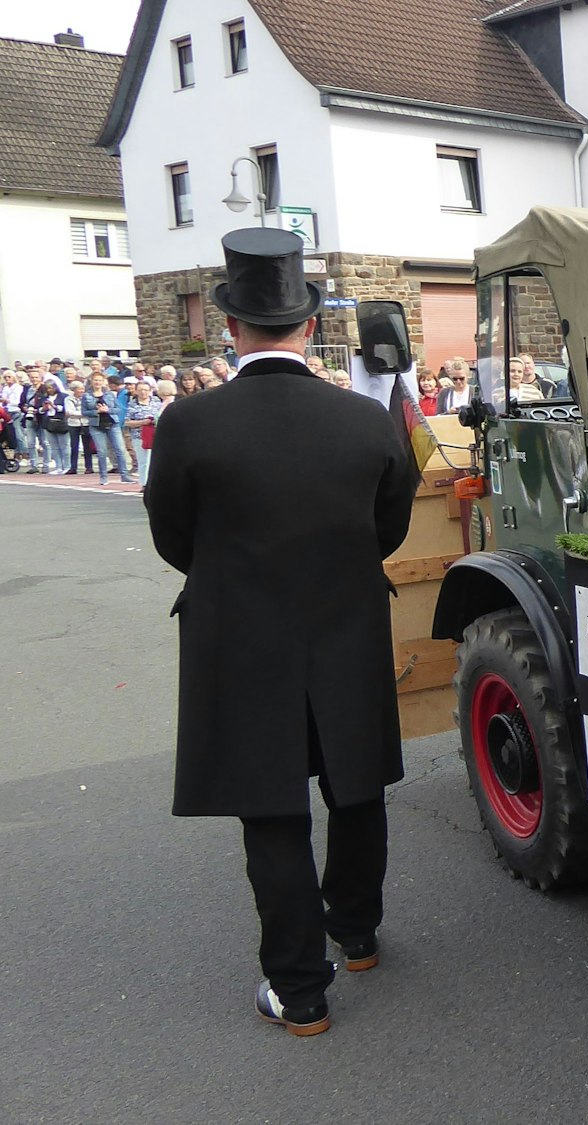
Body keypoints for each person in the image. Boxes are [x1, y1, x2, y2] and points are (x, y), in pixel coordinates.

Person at [146, 228, 418, 1037]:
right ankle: (357, 931)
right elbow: (388, 528)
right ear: (307, 327)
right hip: (346, 623)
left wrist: (233, 572)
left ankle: (300, 988)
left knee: (271, 809)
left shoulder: (189, 421)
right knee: (356, 781)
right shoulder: (367, 422)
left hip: (241, 635)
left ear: (232, 328)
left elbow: (173, 538)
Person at [83, 372, 135, 485]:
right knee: (102, 451)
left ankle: (124, 475)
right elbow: (84, 411)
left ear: (103, 382)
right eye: (95, 380)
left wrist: (108, 410)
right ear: (92, 381)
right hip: (96, 425)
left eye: (100, 380)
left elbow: (118, 409)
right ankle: (103, 477)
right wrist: (96, 411)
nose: (97, 382)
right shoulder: (86, 395)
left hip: (112, 423)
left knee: (120, 450)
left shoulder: (110, 394)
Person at [124, 378, 163, 485]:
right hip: (139, 436)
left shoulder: (156, 401)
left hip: (155, 435)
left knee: (155, 461)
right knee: (144, 461)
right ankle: (144, 484)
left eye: (146, 389)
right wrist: (143, 422)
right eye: (140, 390)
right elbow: (127, 422)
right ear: (136, 391)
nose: (143, 392)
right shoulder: (132, 404)